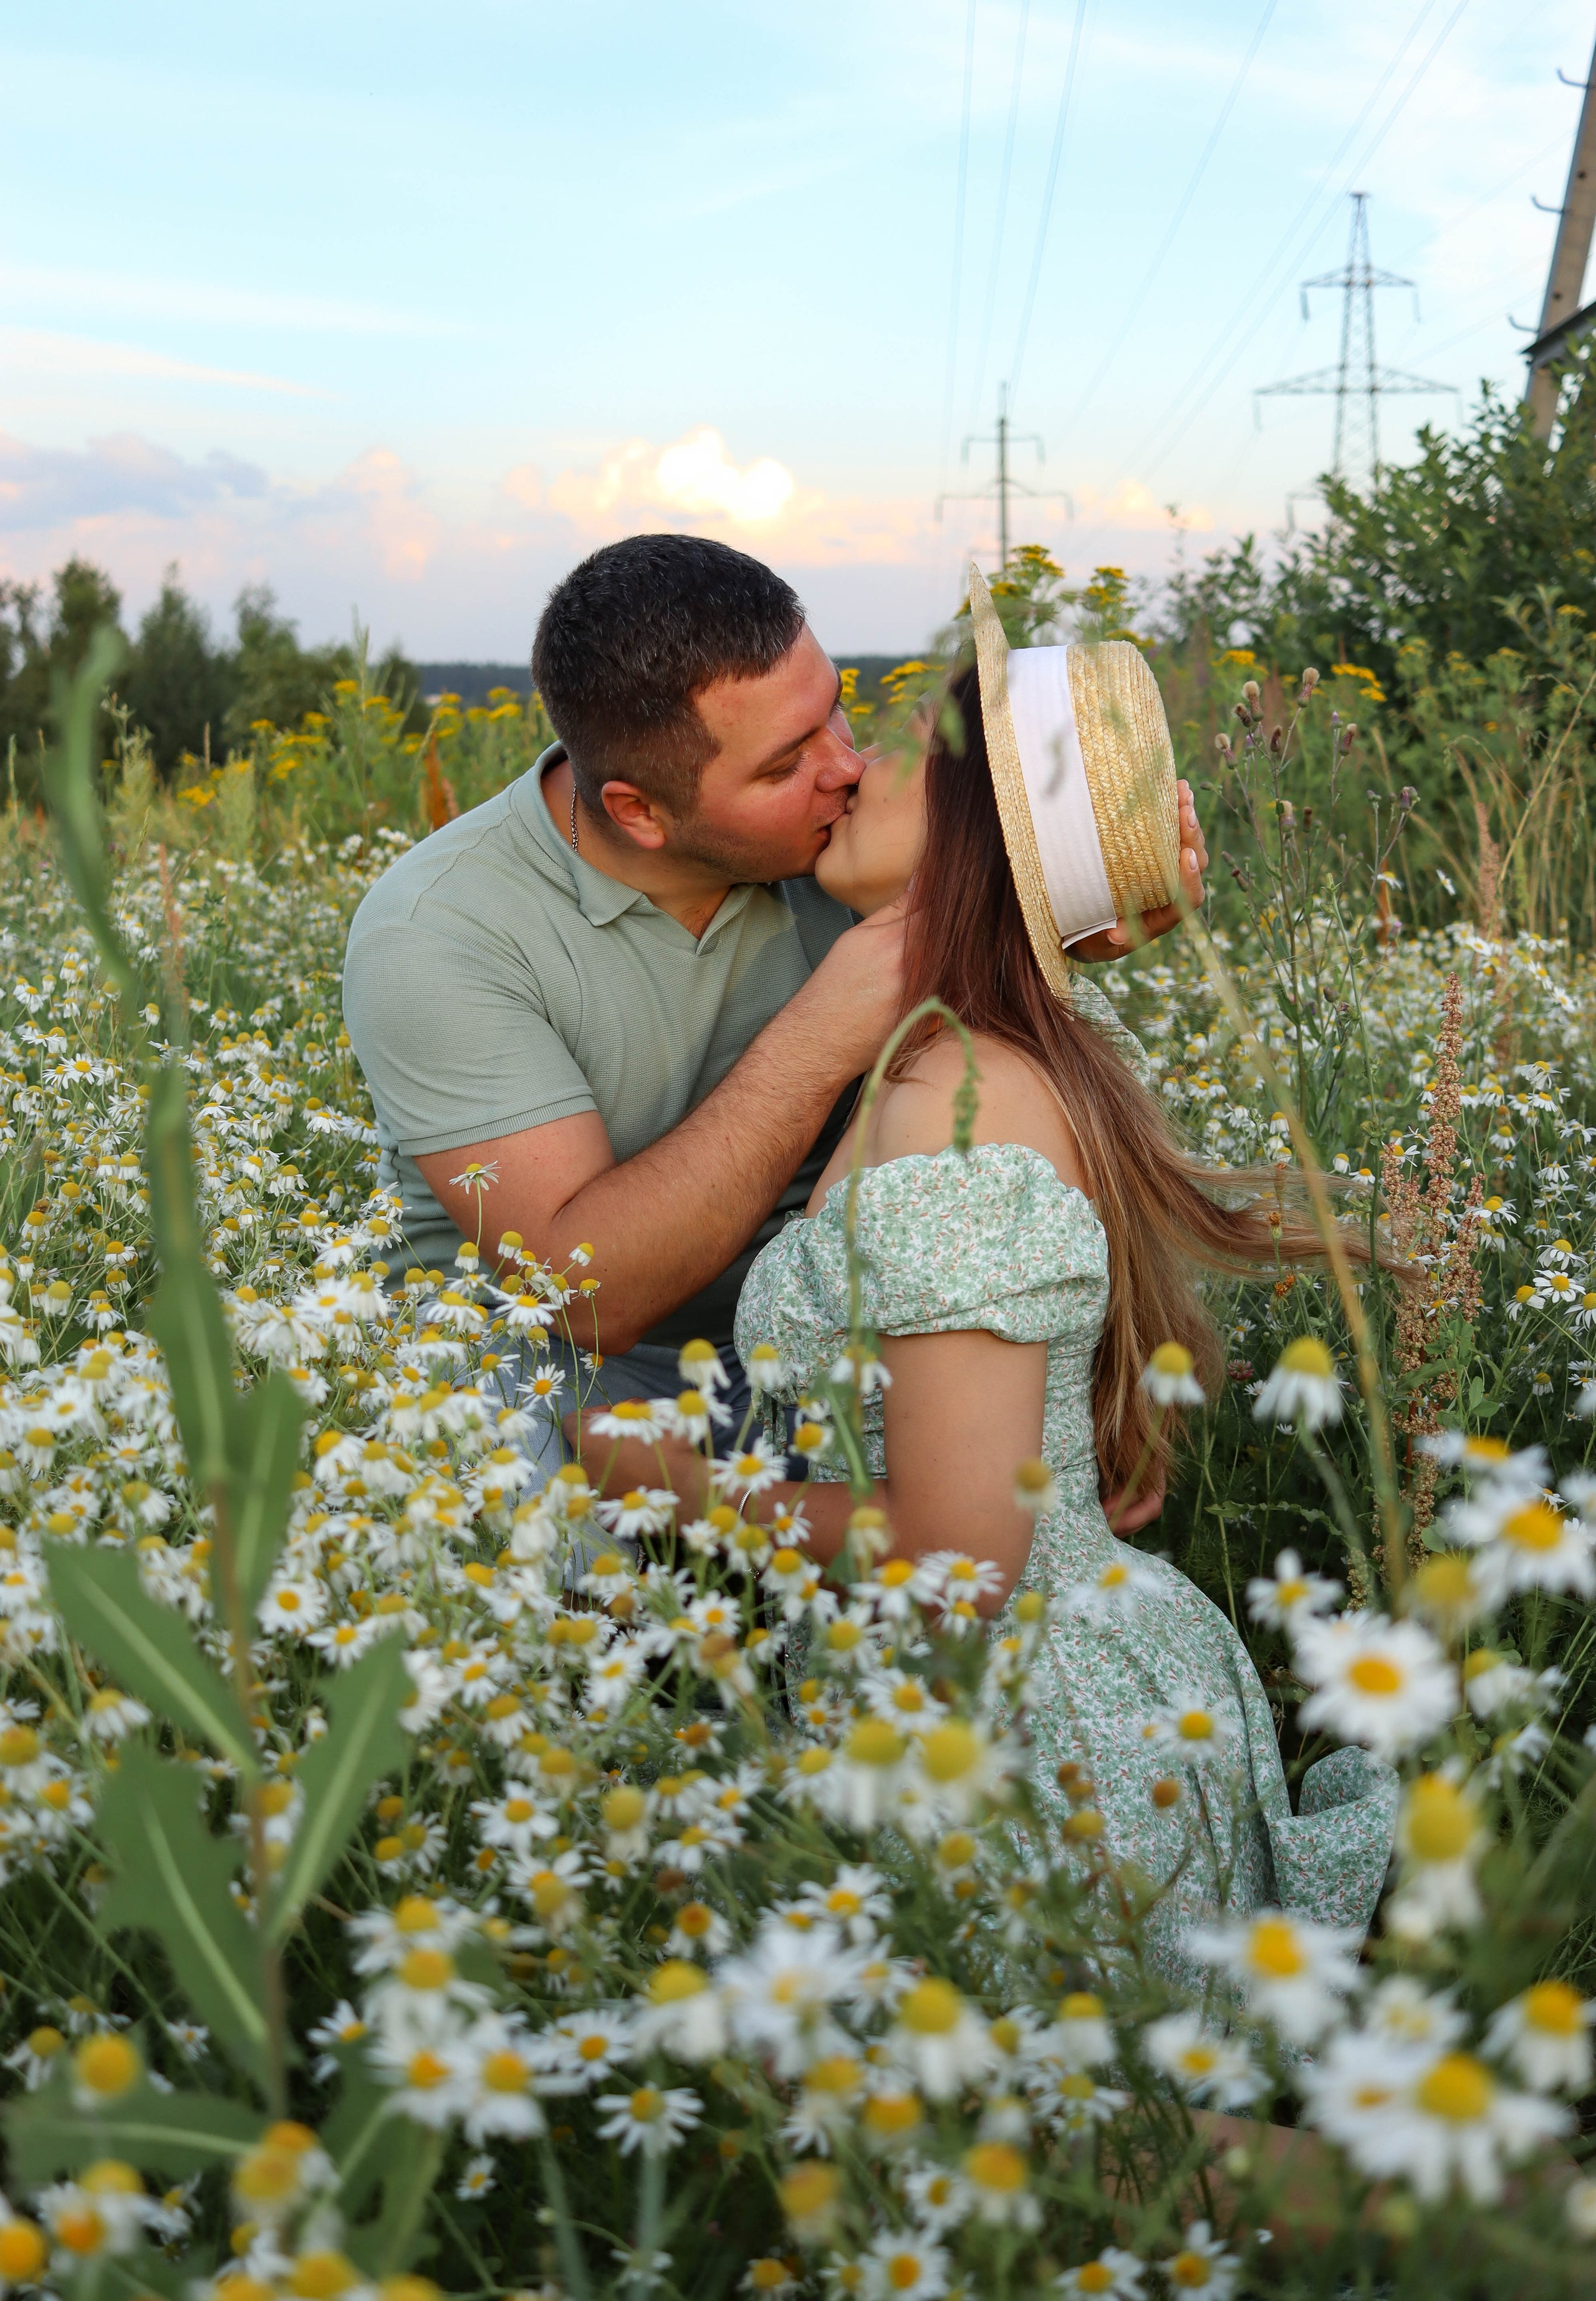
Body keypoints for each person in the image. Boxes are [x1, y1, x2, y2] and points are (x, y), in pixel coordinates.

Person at [584, 565, 1397, 1969]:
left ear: (969, 826)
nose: (853, 770)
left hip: (1022, 1735)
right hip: (1049, 1682)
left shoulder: (950, 1108)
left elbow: (961, 1558)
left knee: (1066, 2099)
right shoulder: (988, 1060)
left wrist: (657, 1479)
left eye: (908, 747)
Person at [342, 534, 1200, 1528]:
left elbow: (1013, 1109)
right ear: (640, 812)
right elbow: (582, 1300)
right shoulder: (441, 930)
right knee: (532, 1561)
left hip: (808, 1364)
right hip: (546, 1374)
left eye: (834, 707)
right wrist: (823, 1034)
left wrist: (1065, 917)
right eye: (787, 763)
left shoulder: (847, 851)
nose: (846, 766)